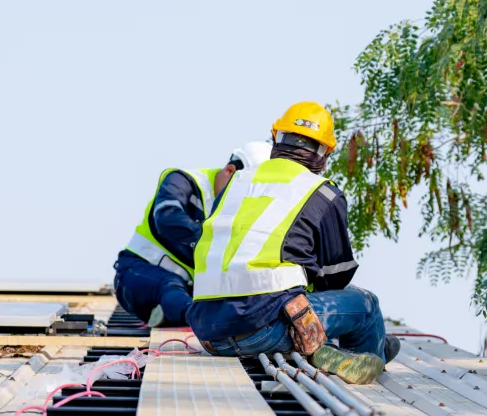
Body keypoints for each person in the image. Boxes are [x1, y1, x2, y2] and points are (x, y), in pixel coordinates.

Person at [186, 102, 399, 384]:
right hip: (264, 330)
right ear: (324, 154)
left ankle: (324, 352)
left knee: (279, 303)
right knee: (367, 306)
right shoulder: (322, 193)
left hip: (208, 333)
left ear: (276, 140)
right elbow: (336, 277)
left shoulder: (234, 184)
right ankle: (353, 360)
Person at [114, 143, 271, 328]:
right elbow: (166, 218)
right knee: (170, 287)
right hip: (136, 273)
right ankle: (197, 318)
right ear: (229, 171)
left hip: (187, 288)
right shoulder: (183, 180)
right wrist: (212, 240)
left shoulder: (239, 208)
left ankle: (172, 313)